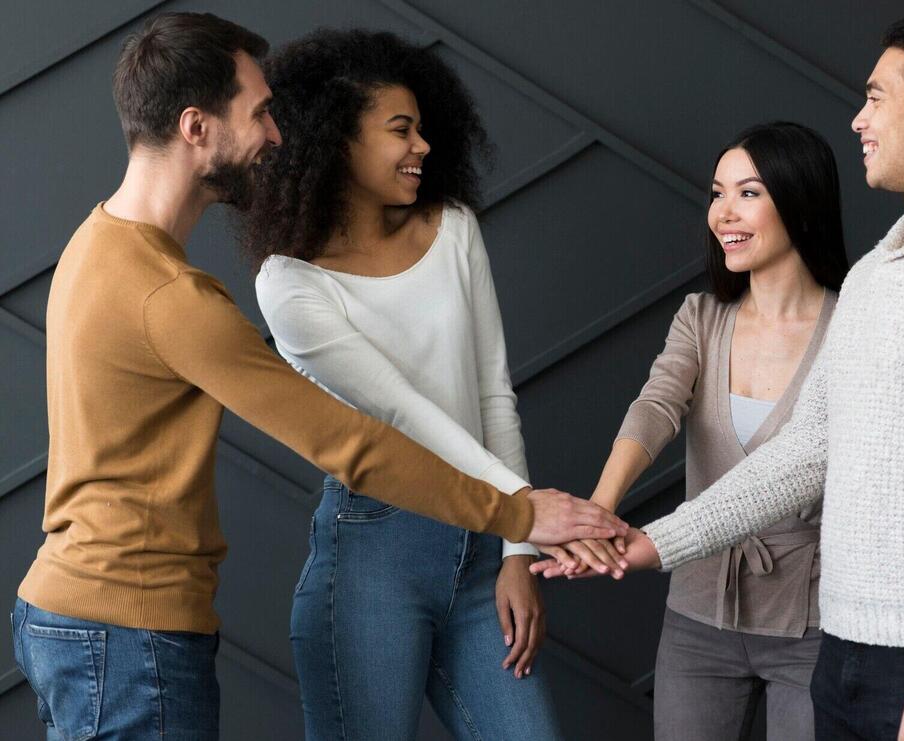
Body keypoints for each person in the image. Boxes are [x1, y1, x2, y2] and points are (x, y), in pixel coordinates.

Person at [9, 13, 623, 741]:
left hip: (82, 622)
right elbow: (351, 442)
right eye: (260, 112)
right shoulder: (172, 298)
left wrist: (511, 545)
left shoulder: (95, 244)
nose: (276, 134)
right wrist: (524, 515)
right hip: (126, 629)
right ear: (196, 126)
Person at [536, 12, 904, 741]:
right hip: (844, 649)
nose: (858, 120)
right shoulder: (874, 276)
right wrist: (656, 542)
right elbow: (809, 449)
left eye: (876, 98)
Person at [245, 29, 562, 740]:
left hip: (484, 552)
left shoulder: (453, 229)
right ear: (336, 141)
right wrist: (523, 508)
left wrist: (517, 549)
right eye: (399, 129)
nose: (421, 145)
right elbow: (400, 411)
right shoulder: (291, 284)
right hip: (371, 558)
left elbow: (492, 397)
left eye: (422, 127)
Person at [545, 122, 846, 740]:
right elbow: (655, 407)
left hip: (813, 622)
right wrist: (598, 514)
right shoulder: (701, 317)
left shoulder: (854, 327)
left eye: (749, 193)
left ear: (800, 200)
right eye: (717, 192)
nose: (723, 212)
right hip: (697, 615)